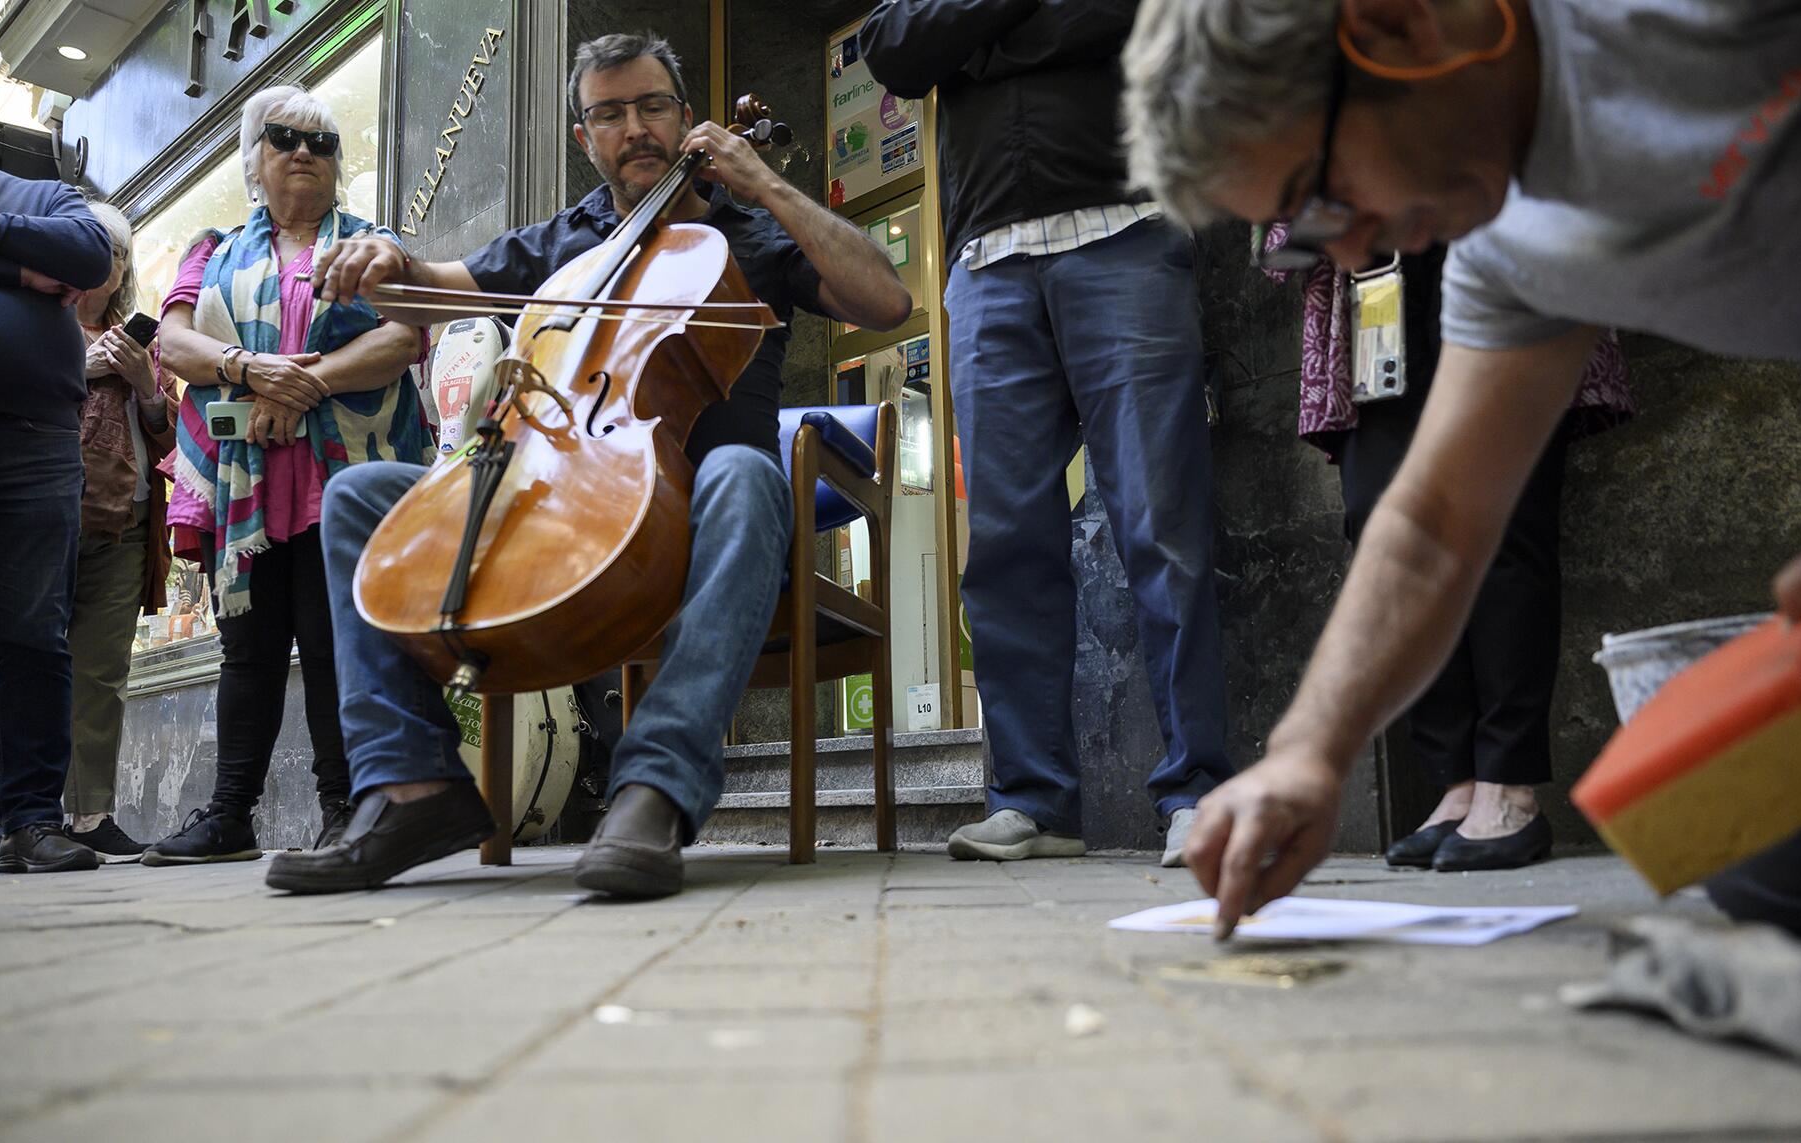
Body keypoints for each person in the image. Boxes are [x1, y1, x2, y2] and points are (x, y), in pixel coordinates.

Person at [1124, 0, 1801, 941]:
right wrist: (1310, 752)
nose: (1345, 250)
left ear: (1392, 26)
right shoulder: (1508, 253)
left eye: (1322, 193)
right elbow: (1433, 521)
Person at [289, 31, 911, 897]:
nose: (635, 128)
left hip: (694, 523)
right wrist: (385, 257)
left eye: (653, 106)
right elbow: (425, 287)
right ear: (585, 137)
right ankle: (412, 787)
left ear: (688, 120)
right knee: (360, 497)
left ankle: (654, 788)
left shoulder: (750, 233)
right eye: (609, 114)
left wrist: (762, 179)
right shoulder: (573, 238)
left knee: (745, 474)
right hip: (554, 498)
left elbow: (887, 299)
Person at [860, 0, 1234, 868]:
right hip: (988, 262)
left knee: (1161, 529)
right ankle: (1033, 800)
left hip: (1126, 232)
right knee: (1004, 547)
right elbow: (894, 49)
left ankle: (1195, 791)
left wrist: (976, 45)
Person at [1265, 231, 1631, 871]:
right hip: (1376, 279)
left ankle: (1508, 782)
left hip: (1488, 241)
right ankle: (1455, 779)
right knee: (1374, 507)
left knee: (1507, 516)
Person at [142, 84, 429, 865]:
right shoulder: (211, 248)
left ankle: (345, 807)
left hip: (346, 477)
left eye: (322, 142)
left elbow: (405, 337)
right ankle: (232, 812)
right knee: (250, 650)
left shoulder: (372, 242)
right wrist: (249, 367)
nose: (304, 152)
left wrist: (310, 382)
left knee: (337, 641)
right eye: (283, 138)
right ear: (253, 160)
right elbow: (173, 344)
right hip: (248, 482)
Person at [0, 201, 174, 867]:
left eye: (116, 253)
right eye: (94, 247)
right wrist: (79, 367)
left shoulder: (145, 341)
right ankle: (16, 816)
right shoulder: (23, 320)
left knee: (101, 673)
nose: (104, 262)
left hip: (121, 524)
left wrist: (144, 386)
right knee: (18, 661)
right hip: (31, 513)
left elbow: (168, 438)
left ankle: (90, 814)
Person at [0, 32, 114, 874]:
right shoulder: (29, 221)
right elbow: (49, 266)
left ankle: (28, 822)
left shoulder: (48, 194)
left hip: (31, 441)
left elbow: (88, 256)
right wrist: (16, 269)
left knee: (34, 637)